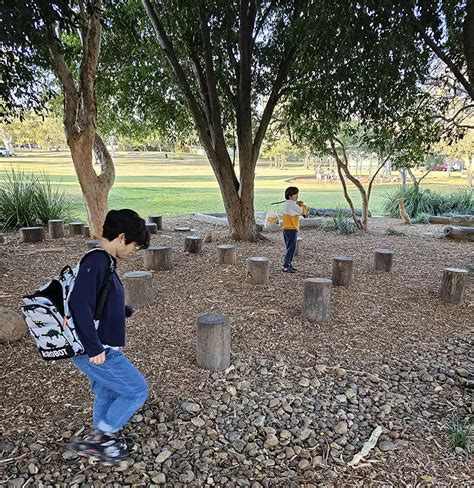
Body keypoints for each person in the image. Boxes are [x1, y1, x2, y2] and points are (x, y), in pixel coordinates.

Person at [68, 209, 150, 463]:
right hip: (94, 348)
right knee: (137, 390)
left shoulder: (105, 261)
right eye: (134, 247)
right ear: (122, 237)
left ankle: (97, 448)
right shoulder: (98, 260)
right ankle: (103, 438)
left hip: (93, 346)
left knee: (108, 392)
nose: (132, 253)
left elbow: (96, 299)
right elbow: (79, 304)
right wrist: (94, 348)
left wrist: (120, 310)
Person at [282, 186, 308, 273]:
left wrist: (298, 204)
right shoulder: (291, 204)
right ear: (290, 196)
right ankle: (286, 266)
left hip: (288, 229)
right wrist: (303, 205)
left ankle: (289, 264)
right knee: (291, 248)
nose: (297, 196)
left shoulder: (289, 204)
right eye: (295, 194)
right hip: (291, 229)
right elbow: (301, 212)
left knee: (290, 248)